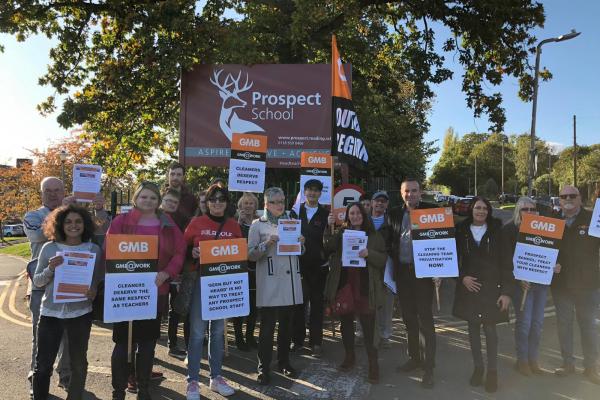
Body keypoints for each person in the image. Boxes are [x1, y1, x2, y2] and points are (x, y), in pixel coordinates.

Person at [108, 182, 185, 400]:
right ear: (136, 198)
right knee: (123, 343)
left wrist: (167, 272)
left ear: (158, 201)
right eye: (144, 197)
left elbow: (179, 252)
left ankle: (144, 390)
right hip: (125, 291)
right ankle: (118, 391)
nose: (148, 201)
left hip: (155, 291)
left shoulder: (166, 222)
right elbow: (109, 250)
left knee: (148, 344)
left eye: (153, 198)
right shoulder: (121, 221)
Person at [31, 204, 103, 400]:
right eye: (68, 221)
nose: (73, 225)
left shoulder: (93, 250)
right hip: (50, 314)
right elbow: (37, 281)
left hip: (80, 314)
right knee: (43, 365)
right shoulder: (49, 248)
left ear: (84, 224)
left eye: (78, 221)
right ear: (60, 225)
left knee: (78, 364)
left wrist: (93, 290)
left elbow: (96, 279)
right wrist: (50, 269)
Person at [184, 184, 241, 399]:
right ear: (207, 202)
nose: (217, 202)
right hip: (201, 282)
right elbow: (183, 249)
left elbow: (239, 255)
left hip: (223, 285)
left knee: (217, 332)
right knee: (198, 333)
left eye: (222, 199)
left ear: (227, 203)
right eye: (213, 199)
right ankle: (192, 381)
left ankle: (216, 377)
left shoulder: (233, 225)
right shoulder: (196, 223)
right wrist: (193, 252)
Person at [323, 202, 387, 384]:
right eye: (351, 213)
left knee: (368, 328)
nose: (355, 216)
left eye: (358, 213)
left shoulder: (374, 236)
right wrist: (329, 226)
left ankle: (373, 363)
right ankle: (349, 356)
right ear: (347, 216)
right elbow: (328, 246)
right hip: (345, 287)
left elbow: (382, 259)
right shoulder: (341, 233)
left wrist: (369, 254)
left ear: (364, 215)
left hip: (366, 288)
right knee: (346, 325)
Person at [453, 197, 513, 393]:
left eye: (484, 208)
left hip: (491, 288)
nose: (481, 211)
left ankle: (493, 373)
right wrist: (462, 278)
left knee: (490, 332)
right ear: (471, 210)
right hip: (469, 287)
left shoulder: (498, 230)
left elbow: (506, 262)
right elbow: (452, 259)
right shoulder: (461, 230)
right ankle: (478, 368)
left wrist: (506, 292)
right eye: (477, 208)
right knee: (472, 331)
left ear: (489, 211)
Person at [248, 187, 304, 385]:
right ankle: (263, 367)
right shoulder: (257, 225)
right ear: (266, 204)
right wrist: (267, 244)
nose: (280, 205)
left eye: (282, 200)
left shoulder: (292, 220)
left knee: (286, 327)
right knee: (267, 328)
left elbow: (299, 251)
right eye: (275, 202)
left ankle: (284, 362)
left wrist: (301, 242)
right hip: (270, 283)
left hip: (289, 283)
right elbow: (251, 255)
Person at [24, 177, 72, 394]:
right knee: (41, 338)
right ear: (41, 193)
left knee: (69, 336)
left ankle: (67, 376)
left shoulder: (73, 214)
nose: (53, 194)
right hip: (41, 286)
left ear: (64, 191)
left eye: (57, 190)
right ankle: (37, 380)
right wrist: (65, 213)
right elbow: (38, 234)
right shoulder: (32, 216)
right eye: (48, 190)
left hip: (70, 284)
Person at [388, 178, 438, 388]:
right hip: (403, 274)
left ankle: (429, 368)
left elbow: (443, 242)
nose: (411, 195)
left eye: (414, 191)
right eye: (407, 191)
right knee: (409, 319)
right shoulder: (394, 214)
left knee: (426, 322)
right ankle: (415, 358)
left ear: (421, 192)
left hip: (424, 276)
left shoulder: (433, 212)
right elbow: (390, 241)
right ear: (402, 193)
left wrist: (441, 271)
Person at [502, 197, 559, 376]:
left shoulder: (542, 228)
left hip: (540, 283)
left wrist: (554, 265)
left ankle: (533, 359)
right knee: (524, 323)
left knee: (537, 324)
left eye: (532, 209)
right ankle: (522, 360)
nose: (529, 213)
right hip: (522, 285)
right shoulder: (509, 229)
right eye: (524, 209)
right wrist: (517, 278)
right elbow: (505, 260)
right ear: (518, 211)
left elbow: (549, 251)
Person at [551, 185, 600, 384]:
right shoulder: (552, 221)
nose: (568, 199)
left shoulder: (593, 219)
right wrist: (549, 264)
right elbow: (543, 250)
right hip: (561, 284)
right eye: (564, 196)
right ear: (559, 200)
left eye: (573, 195)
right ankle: (567, 363)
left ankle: (591, 367)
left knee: (588, 326)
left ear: (580, 198)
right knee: (564, 325)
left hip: (588, 283)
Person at [290, 179, 330, 357]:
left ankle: (316, 342)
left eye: (316, 191)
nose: (312, 193)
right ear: (304, 192)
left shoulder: (327, 214)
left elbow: (330, 241)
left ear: (320, 193)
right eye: (309, 190)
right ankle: (297, 340)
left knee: (317, 306)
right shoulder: (294, 212)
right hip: (299, 265)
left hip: (319, 267)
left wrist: (331, 225)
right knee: (299, 304)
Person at [159, 189, 190, 360]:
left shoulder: (180, 220)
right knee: (157, 312)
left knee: (175, 310)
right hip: (158, 274)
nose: (171, 204)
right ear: (162, 200)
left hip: (173, 272)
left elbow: (181, 247)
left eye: (174, 202)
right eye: (168, 200)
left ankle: (172, 345)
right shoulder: (154, 217)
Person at [233, 192, 260, 351]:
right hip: (240, 268)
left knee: (254, 306)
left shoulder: (260, 222)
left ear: (255, 206)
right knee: (239, 304)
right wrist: (238, 223)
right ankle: (238, 338)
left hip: (256, 267)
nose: (248, 206)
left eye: (251, 203)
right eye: (245, 203)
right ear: (240, 206)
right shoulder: (235, 223)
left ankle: (250, 336)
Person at [371, 190, 393, 348]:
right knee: (365, 301)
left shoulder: (392, 221)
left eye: (383, 201)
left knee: (386, 303)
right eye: (377, 201)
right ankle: (362, 333)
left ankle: (385, 336)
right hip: (367, 265)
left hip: (386, 267)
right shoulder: (362, 220)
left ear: (387, 204)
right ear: (372, 203)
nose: (380, 204)